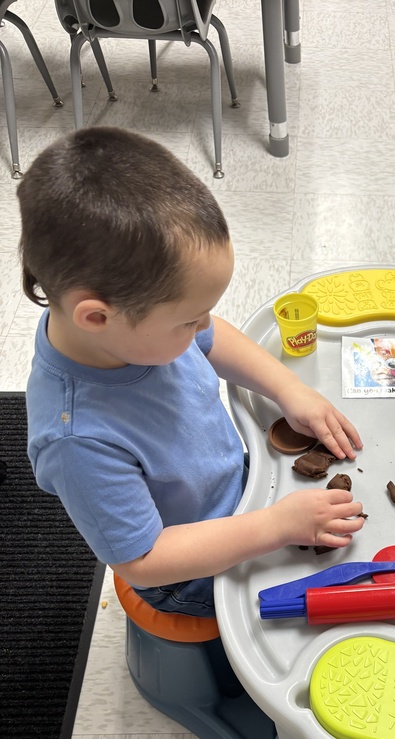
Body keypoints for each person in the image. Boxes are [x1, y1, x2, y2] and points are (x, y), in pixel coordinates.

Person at [20, 127, 365, 618]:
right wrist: (276, 527)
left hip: (242, 494)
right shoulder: (77, 441)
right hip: (188, 573)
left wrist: (290, 389)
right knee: (328, 605)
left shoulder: (125, 332)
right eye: (188, 319)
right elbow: (143, 560)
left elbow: (214, 337)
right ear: (95, 315)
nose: (203, 325)